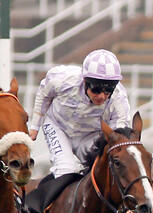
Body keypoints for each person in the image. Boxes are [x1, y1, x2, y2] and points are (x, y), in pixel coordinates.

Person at [28, 49, 131, 179]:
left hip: (90, 135)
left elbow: (118, 136)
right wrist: (35, 126)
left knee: (103, 170)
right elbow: (44, 94)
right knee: (66, 168)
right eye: (96, 89)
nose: (101, 96)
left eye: (108, 90)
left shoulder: (119, 98)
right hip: (58, 127)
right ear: (84, 81)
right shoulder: (62, 79)